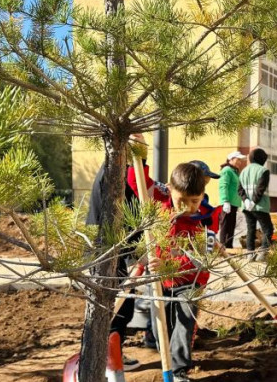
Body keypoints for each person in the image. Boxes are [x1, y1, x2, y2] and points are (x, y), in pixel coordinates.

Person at [85, 135, 168, 371]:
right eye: (138, 142)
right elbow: (126, 215)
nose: (144, 145)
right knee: (118, 307)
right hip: (109, 250)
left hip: (114, 249)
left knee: (120, 307)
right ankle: (110, 361)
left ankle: (112, 355)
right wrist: (141, 246)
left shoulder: (118, 169)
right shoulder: (119, 176)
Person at [149, 163, 214, 382]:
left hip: (191, 281)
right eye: (181, 201)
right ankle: (164, 354)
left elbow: (202, 259)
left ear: (202, 195)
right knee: (161, 328)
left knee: (185, 324)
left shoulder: (207, 217)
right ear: (169, 189)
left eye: (194, 201)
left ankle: (178, 371)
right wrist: (140, 154)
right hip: (160, 280)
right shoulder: (159, 205)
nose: (187, 207)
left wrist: (171, 265)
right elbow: (137, 181)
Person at [237, 148, 274, 261]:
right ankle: (262, 254)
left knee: (250, 229)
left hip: (246, 206)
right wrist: (253, 201)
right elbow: (260, 189)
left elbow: (240, 189)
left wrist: (246, 201)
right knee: (268, 229)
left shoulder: (244, 171)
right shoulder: (263, 171)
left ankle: (249, 254)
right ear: (262, 159)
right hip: (260, 206)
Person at [218, 151, 246, 248]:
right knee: (225, 226)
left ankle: (229, 247)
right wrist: (225, 201)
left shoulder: (234, 172)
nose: (240, 162)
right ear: (231, 159)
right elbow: (223, 186)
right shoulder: (227, 170)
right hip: (228, 203)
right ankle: (223, 248)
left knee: (231, 227)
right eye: (238, 160)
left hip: (234, 204)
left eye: (240, 160)